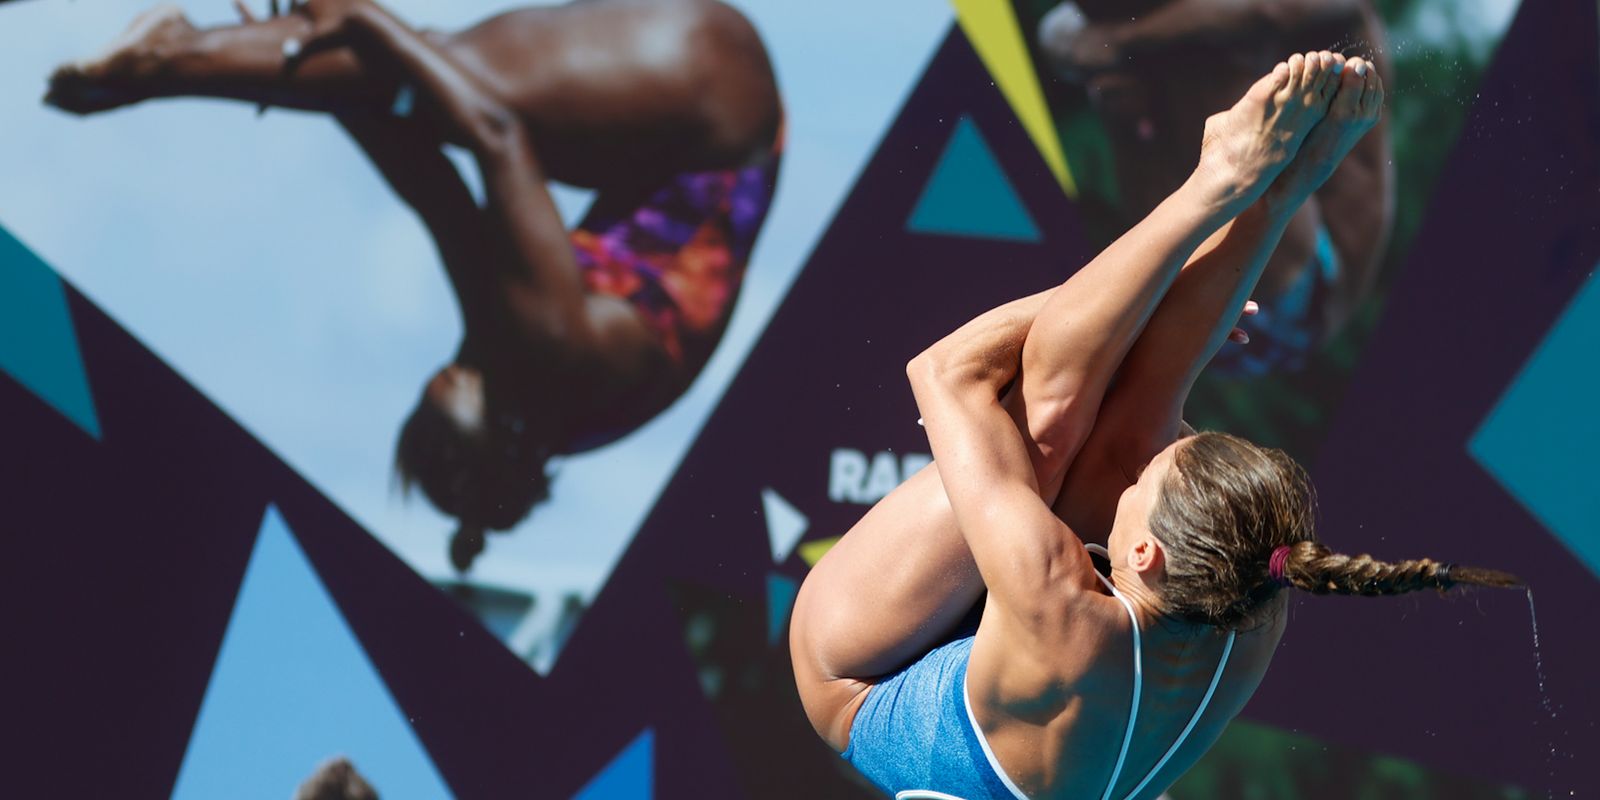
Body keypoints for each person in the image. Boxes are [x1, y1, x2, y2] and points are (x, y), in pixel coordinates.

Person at [790, 53, 1515, 800]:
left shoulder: (1062, 600)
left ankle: (1220, 180)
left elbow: (947, 371)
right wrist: (1139, 327)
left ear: (1139, 551)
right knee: (1131, 419)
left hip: (868, 692)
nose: (1138, 470)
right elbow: (1147, 424)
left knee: (1045, 430)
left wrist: (1144, 292)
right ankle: (1282, 192)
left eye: (1144, 483)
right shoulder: (1249, 592)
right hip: (1057, 711)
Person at [46, 0, 783, 571]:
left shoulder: (530, 394)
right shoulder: (548, 352)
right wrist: (360, 19)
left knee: (412, 81)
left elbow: (433, 194)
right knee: (455, 79)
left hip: (675, 130)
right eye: (452, 377)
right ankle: (169, 58)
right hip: (714, 96)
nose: (453, 362)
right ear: (489, 416)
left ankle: (176, 59)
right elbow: (494, 137)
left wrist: (302, 68)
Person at [1034, 0, 1394, 375]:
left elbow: (1261, 14)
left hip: (1299, 301)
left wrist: (1115, 42)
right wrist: (1106, 49)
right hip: (1195, 286)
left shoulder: (1345, 15)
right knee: (1123, 84)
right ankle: (1128, 114)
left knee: (1195, 54)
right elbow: (1059, 34)